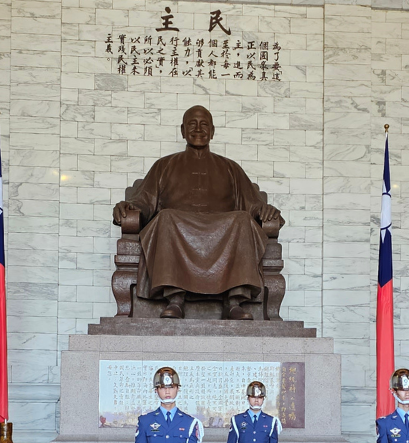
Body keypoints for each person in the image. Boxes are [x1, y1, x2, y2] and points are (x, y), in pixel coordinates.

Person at [112, 105, 284, 320]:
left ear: (212, 131)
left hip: (224, 228)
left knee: (242, 219)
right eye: (192, 124)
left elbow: (252, 204)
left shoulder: (230, 168)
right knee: (165, 217)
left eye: (204, 124)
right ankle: (175, 299)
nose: (198, 129)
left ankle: (233, 301)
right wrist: (129, 207)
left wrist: (265, 209)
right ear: (183, 130)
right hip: (177, 226)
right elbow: (144, 201)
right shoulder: (164, 165)